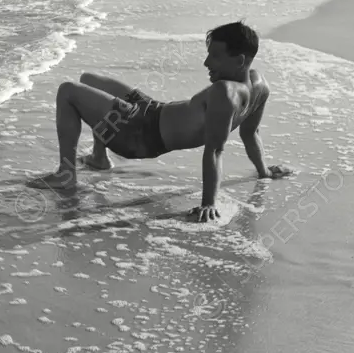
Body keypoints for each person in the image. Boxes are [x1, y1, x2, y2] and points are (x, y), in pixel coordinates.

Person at [25, 21, 292, 222]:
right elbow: (251, 133)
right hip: (150, 110)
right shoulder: (259, 85)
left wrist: (208, 203)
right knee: (88, 80)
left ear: (240, 60)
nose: (206, 62)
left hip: (139, 134)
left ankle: (65, 174)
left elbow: (215, 149)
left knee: (68, 91)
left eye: (215, 56)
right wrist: (264, 172)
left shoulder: (226, 93)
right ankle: (99, 158)